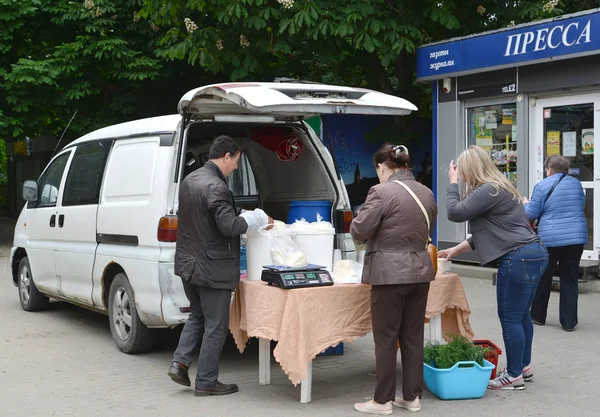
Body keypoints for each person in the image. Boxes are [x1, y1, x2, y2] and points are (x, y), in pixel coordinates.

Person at [167, 135, 272, 396]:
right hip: (211, 267)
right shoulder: (217, 186)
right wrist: (255, 219)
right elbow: (228, 226)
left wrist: (239, 213)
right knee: (215, 324)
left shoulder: (190, 180)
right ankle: (206, 382)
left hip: (188, 263)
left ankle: (180, 363)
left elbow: (206, 217)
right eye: (235, 161)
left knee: (197, 315)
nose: (236, 167)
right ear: (225, 156)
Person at [438, 146, 548, 391]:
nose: (461, 174)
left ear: (470, 169)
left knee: (509, 318)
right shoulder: (502, 187)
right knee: (520, 316)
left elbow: (454, 212)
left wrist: (453, 183)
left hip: (518, 258)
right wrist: (455, 251)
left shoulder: (488, 189)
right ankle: (523, 366)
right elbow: (490, 234)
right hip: (534, 254)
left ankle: (513, 375)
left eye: (462, 170)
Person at [350, 144, 437, 415]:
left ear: (381, 166)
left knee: (386, 338)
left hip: (389, 274)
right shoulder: (426, 192)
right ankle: (412, 397)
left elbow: (360, 229)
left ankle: (382, 401)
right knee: (413, 335)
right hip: (420, 272)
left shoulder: (380, 191)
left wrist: (357, 219)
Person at [523, 155, 587, 332]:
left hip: (551, 240)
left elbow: (531, 214)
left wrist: (525, 204)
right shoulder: (576, 184)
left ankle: (537, 316)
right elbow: (580, 205)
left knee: (544, 276)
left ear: (549, 169)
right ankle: (569, 322)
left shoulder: (542, 185)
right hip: (576, 239)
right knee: (570, 278)